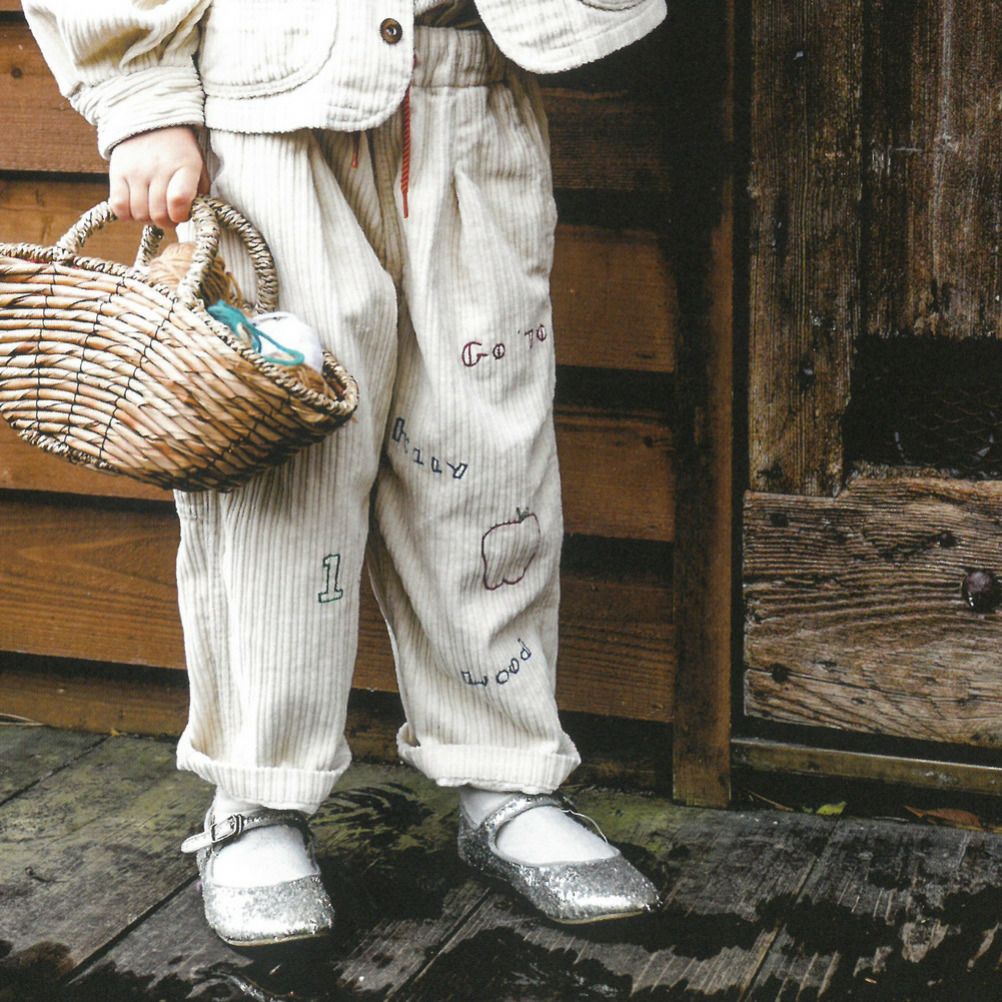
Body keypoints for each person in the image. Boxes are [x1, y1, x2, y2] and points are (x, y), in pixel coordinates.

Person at [23, 0, 667, 946]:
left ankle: (508, 773)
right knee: (282, 465)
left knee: (488, 458)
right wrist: (141, 96)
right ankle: (256, 794)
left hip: (468, 88)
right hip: (266, 110)